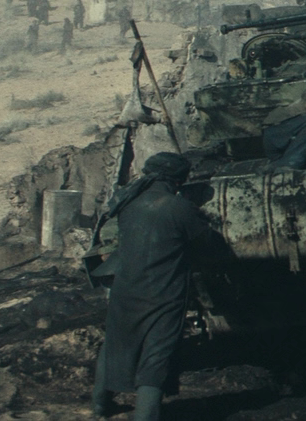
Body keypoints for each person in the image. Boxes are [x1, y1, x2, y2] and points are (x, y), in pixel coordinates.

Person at [92, 152, 213, 420]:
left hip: (125, 289)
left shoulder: (129, 203)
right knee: (156, 357)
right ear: (179, 180)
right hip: (162, 294)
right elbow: (206, 242)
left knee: (115, 345)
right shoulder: (178, 207)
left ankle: (100, 405)